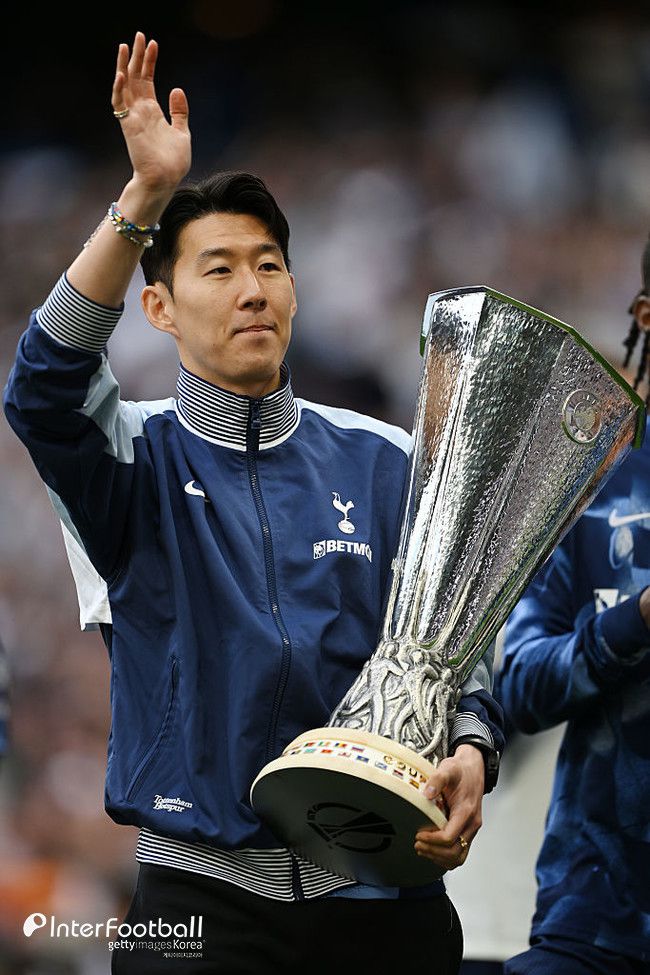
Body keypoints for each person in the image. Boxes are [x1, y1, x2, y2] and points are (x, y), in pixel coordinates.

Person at [3, 33, 503, 974]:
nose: (252, 290)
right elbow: (41, 385)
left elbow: (456, 644)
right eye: (219, 268)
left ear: (297, 292)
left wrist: (475, 743)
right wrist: (143, 199)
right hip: (198, 903)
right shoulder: (131, 456)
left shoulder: (387, 456)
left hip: (381, 892)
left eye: (269, 266)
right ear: (159, 308)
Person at [496, 241, 650, 974]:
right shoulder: (592, 487)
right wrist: (636, 621)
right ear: (646, 317)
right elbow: (520, 685)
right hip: (599, 918)